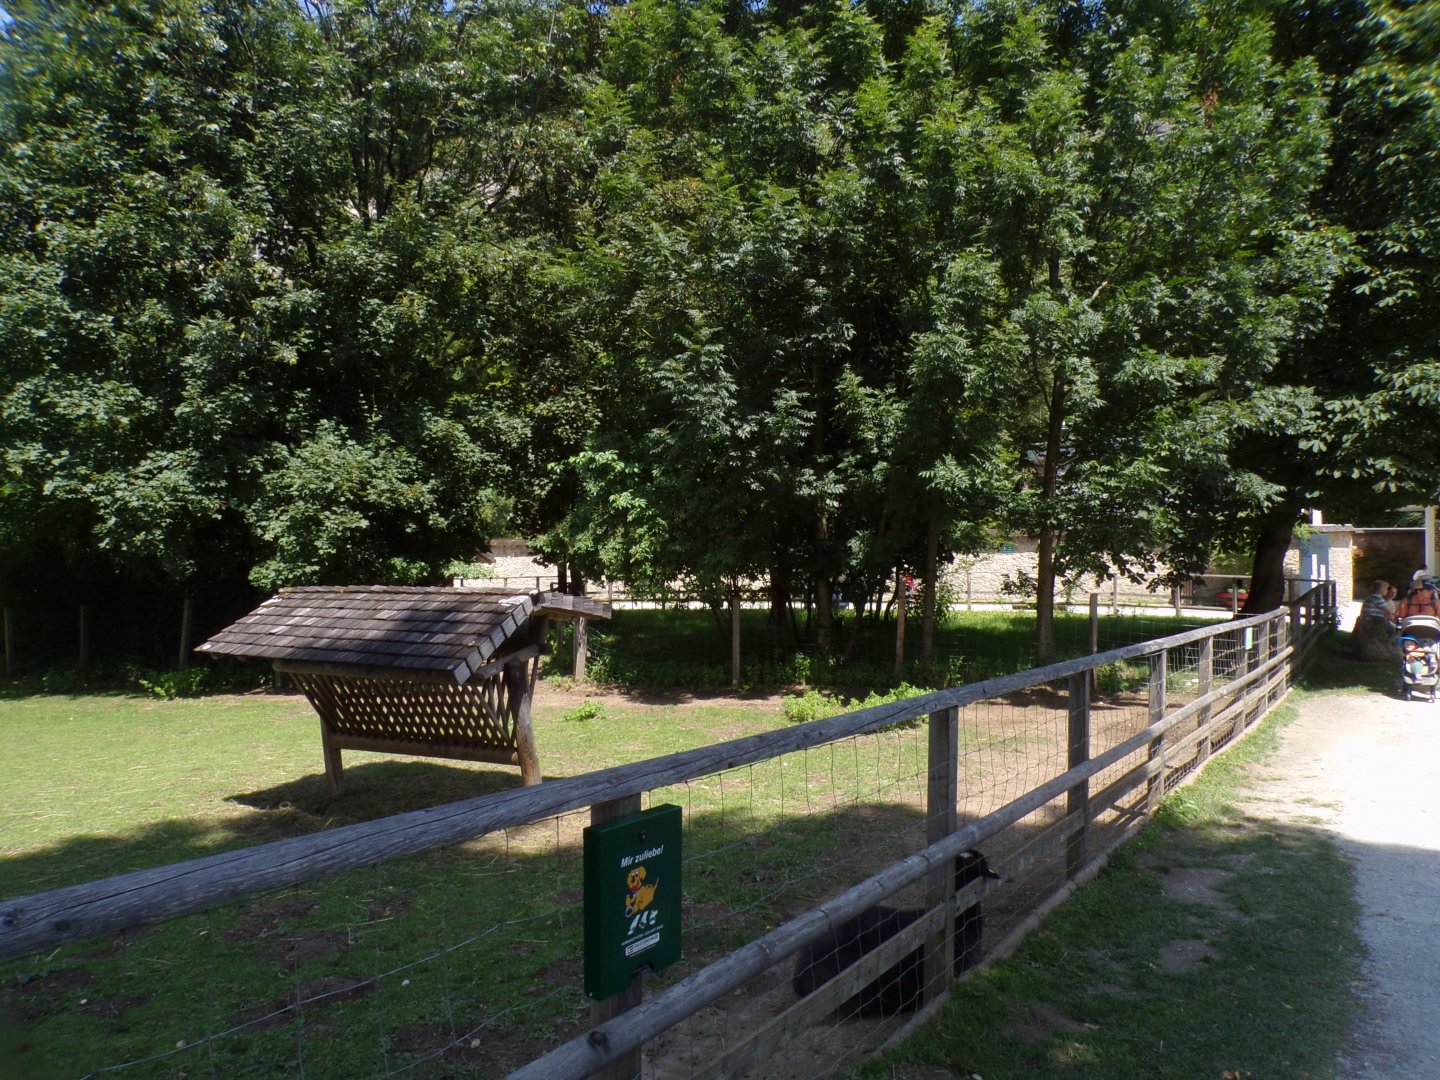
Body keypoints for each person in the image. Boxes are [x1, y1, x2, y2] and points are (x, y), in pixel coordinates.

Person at [1352, 579, 1400, 662]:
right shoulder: (1376, 598)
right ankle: (1390, 649)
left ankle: (1389, 648)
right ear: (1381, 589)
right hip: (1373, 620)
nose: (1386, 591)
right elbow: (1389, 611)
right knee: (1395, 629)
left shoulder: (1373, 597)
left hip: (1371, 619)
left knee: (1393, 627)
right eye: (1386, 589)